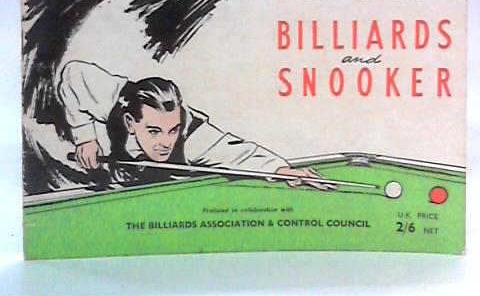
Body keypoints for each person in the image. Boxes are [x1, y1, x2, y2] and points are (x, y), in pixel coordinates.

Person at [58, 60, 330, 189]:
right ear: (130, 122)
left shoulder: (194, 139)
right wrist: (84, 137)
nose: (166, 142)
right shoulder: (111, 98)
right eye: (154, 131)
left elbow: (239, 154)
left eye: (173, 130)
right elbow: (73, 74)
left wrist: (282, 170)